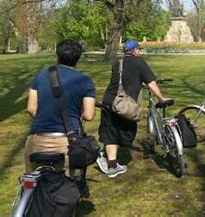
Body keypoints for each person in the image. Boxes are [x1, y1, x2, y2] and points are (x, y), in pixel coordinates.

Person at [97, 38, 171, 178]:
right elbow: (151, 83)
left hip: (108, 101)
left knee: (111, 133)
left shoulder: (117, 62)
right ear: (135, 50)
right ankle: (107, 160)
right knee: (126, 133)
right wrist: (161, 98)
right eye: (139, 49)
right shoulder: (139, 62)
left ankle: (111, 165)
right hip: (125, 105)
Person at [24, 39, 96, 176]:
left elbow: (31, 109)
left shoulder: (40, 77)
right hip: (66, 143)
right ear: (78, 59)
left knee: (33, 182)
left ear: (58, 55)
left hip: (38, 139)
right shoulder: (85, 81)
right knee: (66, 186)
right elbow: (89, 115)